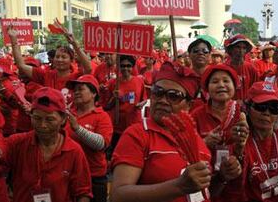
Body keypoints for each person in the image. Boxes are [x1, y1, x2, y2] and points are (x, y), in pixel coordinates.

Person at [110, 62, 241, 202]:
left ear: (189, 105)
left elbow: (203, 192)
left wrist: (221, 177)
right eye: (157, 92)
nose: (163, 101)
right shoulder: (138, 134)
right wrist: (179, 186)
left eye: (174, 96)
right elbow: (119, 195)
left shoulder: (195, 140)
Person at [0, 87, 92, 202]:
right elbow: (1, 148)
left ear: (63, 119)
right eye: (37, 118)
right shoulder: (18, 143)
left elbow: (83, 192)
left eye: (50, 119)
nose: (42, 125)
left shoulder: (73, 151)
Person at [191, 64, 248, 202]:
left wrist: (241, 145)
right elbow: (187, 151)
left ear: (234, 87)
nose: (221, 85)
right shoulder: (196, 115)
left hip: (238, 182)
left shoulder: (244, 112)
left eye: (226, 81)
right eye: (215, 82)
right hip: (207, 182)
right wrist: (204, 143)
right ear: (207, 89)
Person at [66, 75, 114, 202]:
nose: (76, 92)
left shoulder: (102, 116)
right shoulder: (69, 114)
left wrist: (78, 128)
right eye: (74, 90)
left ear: (93, 94)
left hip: (93, 177)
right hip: (69, 174)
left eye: (80, 89)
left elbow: (101, 144)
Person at [9, 24, 92, 91]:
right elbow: (21, 65)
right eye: (57, 56)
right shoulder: (46, 75)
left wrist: (74, 44)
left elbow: (88, 68)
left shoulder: (77, 77)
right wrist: (14, 40)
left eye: (64, 57)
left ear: (71, 60)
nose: (60, 59)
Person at [106, 55, 146, 152]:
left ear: (132, 67)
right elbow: (106, 106)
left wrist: (141, 104)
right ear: (119, 67)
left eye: (128, 66)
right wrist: (113, 98)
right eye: (123, 66)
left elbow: (144, 99)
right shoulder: (113, 83)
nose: (126, 68)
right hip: (117, 126)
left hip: (134, 124)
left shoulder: (139, 81)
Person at [224, 34, 258, 102]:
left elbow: (255, 89)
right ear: (231, 49)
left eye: (244, 48)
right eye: (238, 47)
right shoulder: (223, 68)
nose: (241, 50)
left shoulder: (251, 68)